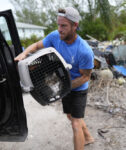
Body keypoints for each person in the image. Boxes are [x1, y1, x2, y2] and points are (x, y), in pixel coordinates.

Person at [15, 6, 94, 150]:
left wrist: (64, 87)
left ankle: (83, 139)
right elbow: (37, 45)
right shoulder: (55, 36)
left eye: (64, 25)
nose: (59, 29)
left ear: (75, 26)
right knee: (71, 116)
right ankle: (88, 137)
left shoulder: (84, 50)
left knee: (75, 123)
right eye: (58, 24)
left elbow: (85, 77)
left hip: (78, 88)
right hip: (65, 84)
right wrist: (24, 54)